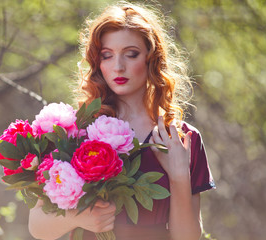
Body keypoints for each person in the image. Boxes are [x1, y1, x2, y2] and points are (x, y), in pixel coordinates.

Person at [28, 1, 215, 240]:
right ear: (98, 63)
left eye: (131, 54)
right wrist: (78, 218)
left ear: (152, 58)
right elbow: (37, 226)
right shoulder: (75, 131)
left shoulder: (183, 138)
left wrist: (178, 176)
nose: (118, 66)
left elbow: (187, 238)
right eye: (107, 56)